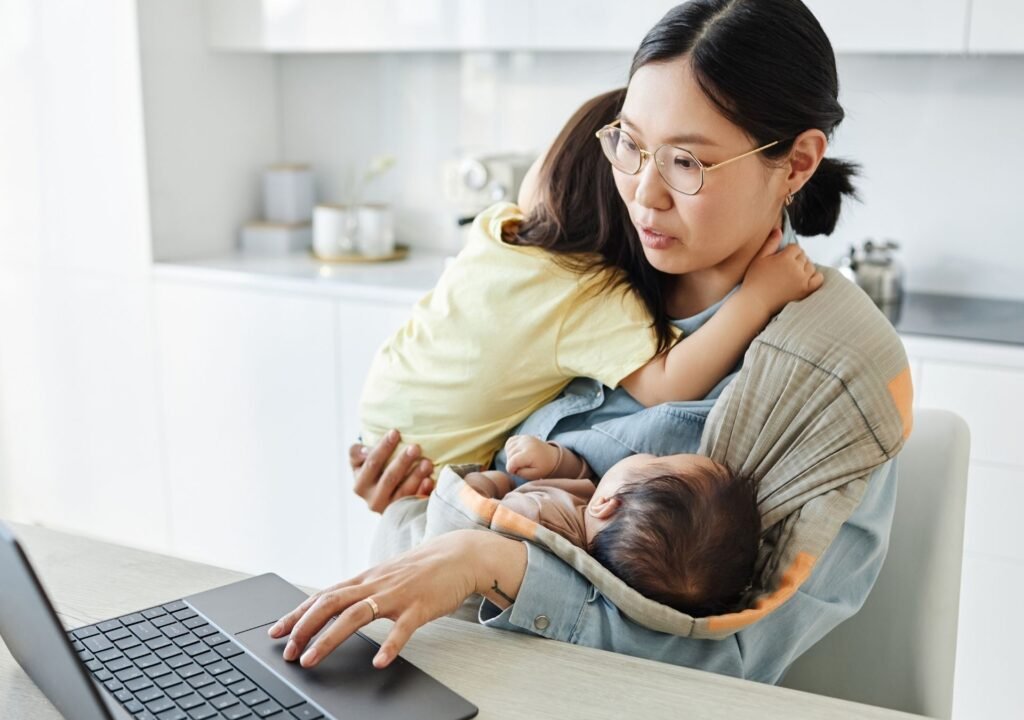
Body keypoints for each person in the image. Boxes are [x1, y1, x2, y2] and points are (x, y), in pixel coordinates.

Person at [269, 0, 898, 684]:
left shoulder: (832, 371)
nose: (644, 194)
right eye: (630, 144)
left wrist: (492, 564)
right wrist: (414, 486)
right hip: (434, 672)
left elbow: (725, 659)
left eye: (687, 162)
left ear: (799, 162)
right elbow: (471, 466)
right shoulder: (582, 268)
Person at [359, 88, 821, 474]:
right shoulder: (589, 293)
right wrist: (758, 297)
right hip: (429, 462)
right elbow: (668, 386)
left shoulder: (497, 227)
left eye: (685, 161)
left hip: (381, 417)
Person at [463, 434, 761, 617]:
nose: (647, 454)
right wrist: (556, 462)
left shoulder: (530, 517)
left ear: (605, 504)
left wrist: (489, 481)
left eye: (657, 458)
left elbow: (468, 515)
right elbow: (589, 482)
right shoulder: (598, 529)